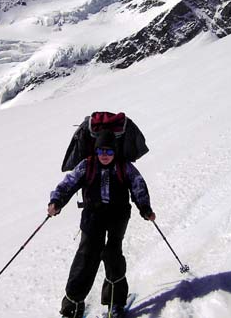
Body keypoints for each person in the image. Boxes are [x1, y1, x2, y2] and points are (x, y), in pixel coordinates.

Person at [48, 129, 156, 318]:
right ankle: (73, 304)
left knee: (113, 254)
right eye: (100, 152)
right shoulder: (87, 165)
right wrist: (56, 201)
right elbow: (68, 184)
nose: (104, 156)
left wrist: (145, 208)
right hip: (93, 215)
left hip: (118, 215)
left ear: (115, 151)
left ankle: (115, 303)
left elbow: (138, 185)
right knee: (86, 256)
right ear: (95, 152)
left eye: (109, 152)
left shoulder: (124, 167)